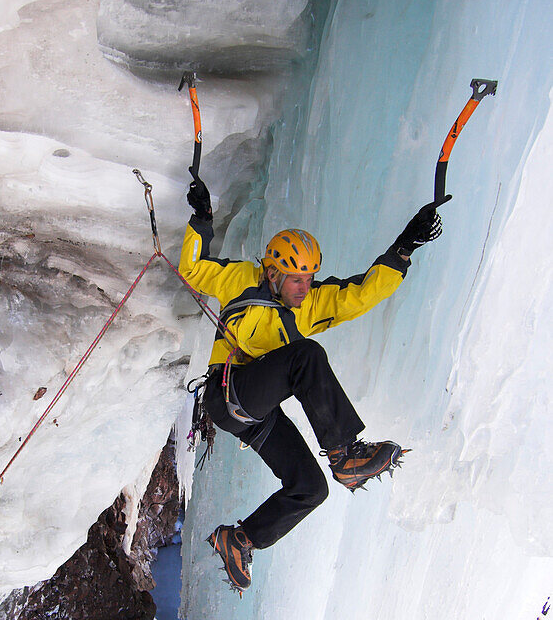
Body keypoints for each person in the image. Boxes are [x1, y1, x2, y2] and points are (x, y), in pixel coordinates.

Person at [180, 176, 450, 591]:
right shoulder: (239, 280)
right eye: (297, 280)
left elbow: (359, 293)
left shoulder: (311, 304)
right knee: (305, 356)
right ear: (272, 274)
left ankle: (240, 540)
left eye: (309, 279)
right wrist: (202, 219)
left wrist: (403, 249)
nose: (306, 289)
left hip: (254, 413)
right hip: (227, 395)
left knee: (310, 488)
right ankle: (344, 455)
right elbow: (193, 269)